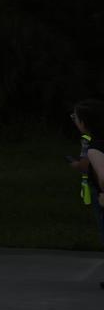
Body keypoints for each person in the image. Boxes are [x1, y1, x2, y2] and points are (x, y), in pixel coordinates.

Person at [68, 101, 104, 273]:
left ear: (84, 122)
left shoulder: (91, 144)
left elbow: (98, 171)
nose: (74, 121)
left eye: (75, 118)